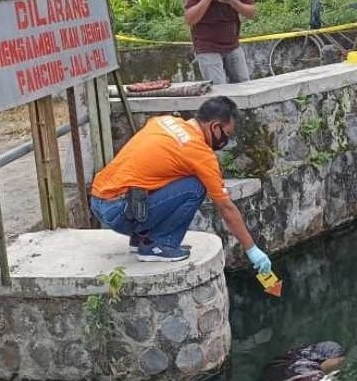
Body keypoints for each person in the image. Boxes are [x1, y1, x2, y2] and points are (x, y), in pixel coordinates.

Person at [89, 96, 271, 267]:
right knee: (196, 187)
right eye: (227, 135)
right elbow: (226, 209)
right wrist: (252, 250)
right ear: (215, 127)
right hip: (119, 212)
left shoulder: (163, 121)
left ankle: (142, 238)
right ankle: (159, 245)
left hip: (98, 200)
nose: (226, 141)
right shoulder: (200, 153)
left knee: (169, 176)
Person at [184, 0, 255, 85]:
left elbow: (252, 13)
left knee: (244, 84)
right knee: (218, 87)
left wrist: (233, 2)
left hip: (232, 44)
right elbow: (189, 20)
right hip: (207, 45)